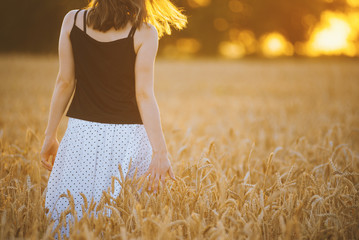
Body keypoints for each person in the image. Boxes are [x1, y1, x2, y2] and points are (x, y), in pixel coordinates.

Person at [40, 0, 187, 238]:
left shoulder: (72, 20)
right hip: (129, 140)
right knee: (127, 223)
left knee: (71, 219)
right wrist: (160, 151)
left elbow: (64, 82)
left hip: (81, 135)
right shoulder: (145, 32)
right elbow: (144, 95)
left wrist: (50, 135)